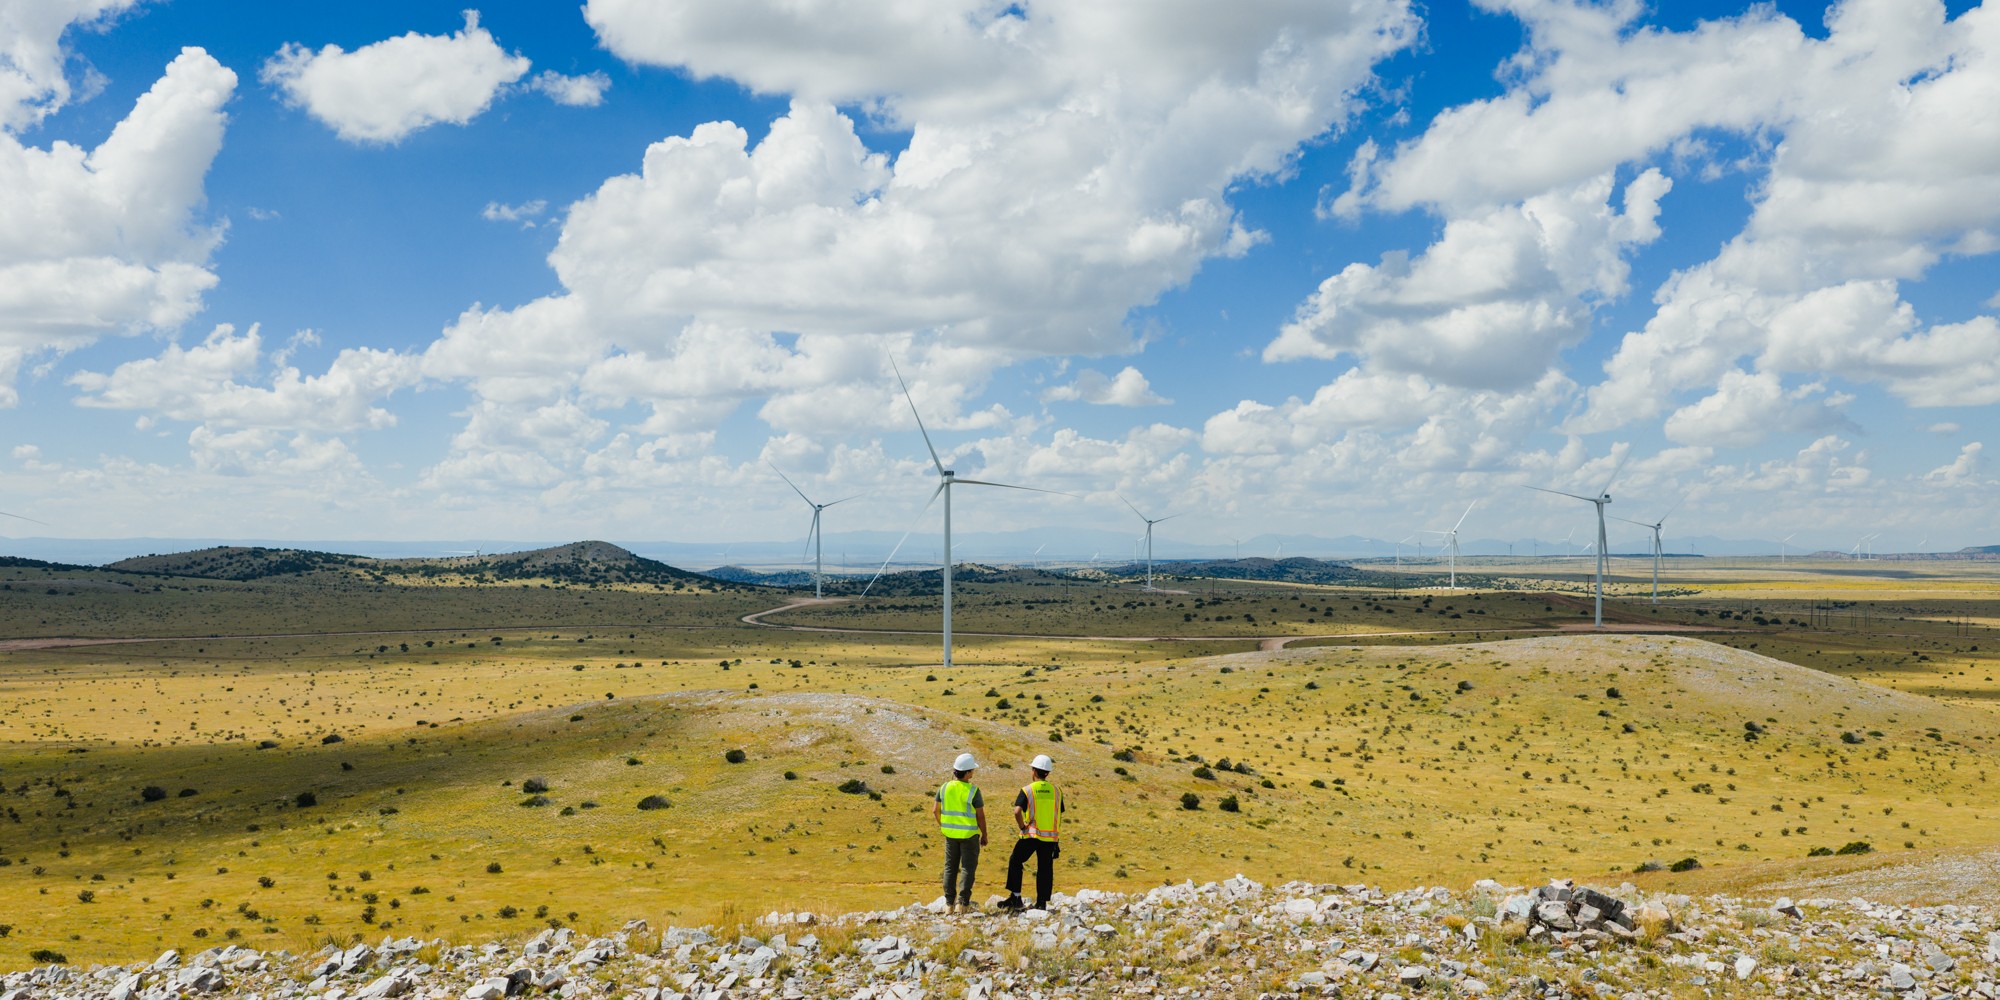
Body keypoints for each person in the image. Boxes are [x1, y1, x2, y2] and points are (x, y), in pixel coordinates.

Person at [996, 753, 1063, 912]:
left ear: (1034, 771)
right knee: (1045, 869)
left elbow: (1017, 810)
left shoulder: (1028, 790)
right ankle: (1041, 903)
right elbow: (1059, 813)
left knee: (1015, 861)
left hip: (1031, 834)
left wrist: (1022, 826)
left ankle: (1016, 897)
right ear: (1048, 773)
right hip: (1050, 837)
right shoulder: (1057, 791)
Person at [932, 752, 988, 913]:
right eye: (972, 770)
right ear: (968, 772)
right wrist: (984, 834)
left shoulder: (944, 787)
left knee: (950, 867)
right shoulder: (973, 791)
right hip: (969, 836)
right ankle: (962, 904)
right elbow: (980, 816)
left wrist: (944, 826)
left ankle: (949, 904)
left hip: (950, 835)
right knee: (967, 868)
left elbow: (935, 810)